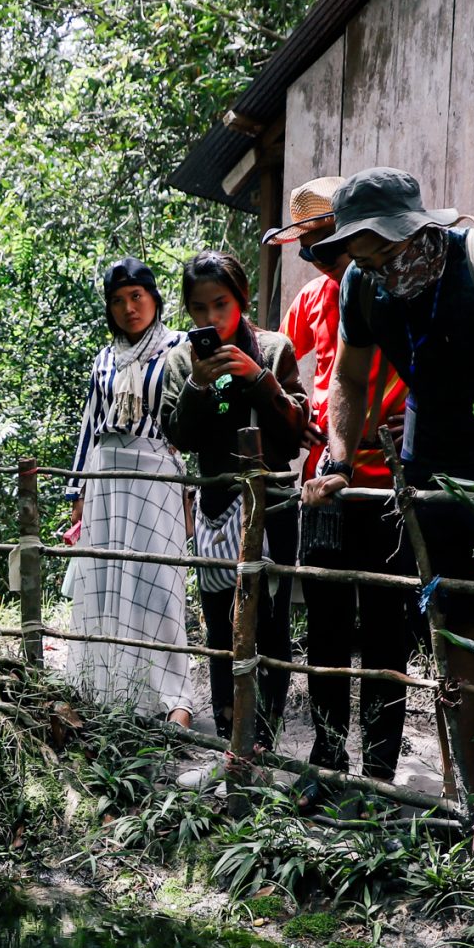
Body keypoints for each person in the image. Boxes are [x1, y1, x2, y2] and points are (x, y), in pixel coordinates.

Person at [302, 169, 474, 811]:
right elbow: (350, 375)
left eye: (390, 252)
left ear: (423, 227)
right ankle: (465, 799)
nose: (381, 270)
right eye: (364, 258)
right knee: (452, 635)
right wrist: (339, 458)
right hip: (430, 473)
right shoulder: (361, 288)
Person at [271, 177, 413, 802]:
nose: (324, 262)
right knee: (325, 628)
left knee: (386, 631)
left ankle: (381, 773)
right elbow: (279, 359)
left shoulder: (397, 286)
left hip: (391, 483)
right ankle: (327, 759)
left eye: (328, 246)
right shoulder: (308, 300)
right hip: (325, 485)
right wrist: (296, 412)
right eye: (313, 252)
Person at [159, 251, 308, 764]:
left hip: (274, 504)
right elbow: (178, 434)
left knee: (270, 620)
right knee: (220, 621)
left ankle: (264, 733)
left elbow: (295, 435)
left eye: (220, 304)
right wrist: (201, 382)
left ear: (241, 299)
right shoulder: (181, 360)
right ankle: (229, 730)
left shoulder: (273, 347)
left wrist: (257, 376)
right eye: (198, 308)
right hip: (217, 504)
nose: (209, 318)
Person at [61, 258, 194, 725]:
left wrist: (192, 489)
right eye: (117, 301)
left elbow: (195, 418)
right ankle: (109, 688)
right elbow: (89, 427)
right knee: (104, 580)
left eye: (136, 296)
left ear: (155, 299)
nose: (128, 308)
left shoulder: (180, 347)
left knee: (159, 583)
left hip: (156, 472)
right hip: (106, 474)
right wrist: (78, 492)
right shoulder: (105, 358)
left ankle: (174, 698)